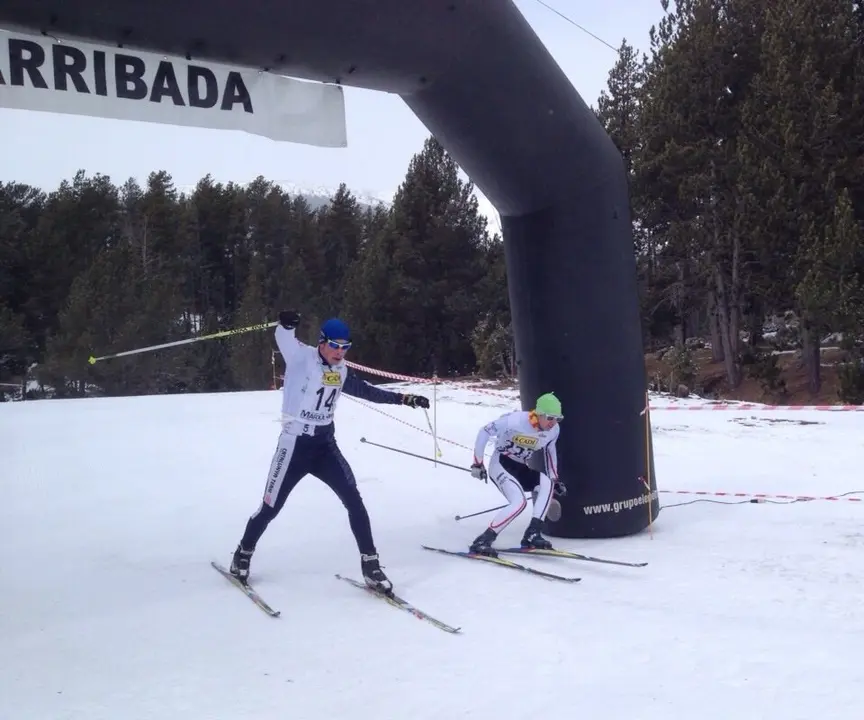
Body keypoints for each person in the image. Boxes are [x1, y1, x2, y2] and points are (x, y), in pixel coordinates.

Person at [228, 310, 430, 594]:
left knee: (354, 500)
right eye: (334, 345)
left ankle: (371, 565)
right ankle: (243, 554)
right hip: (295, 444)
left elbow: (367, 391)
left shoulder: (341, 370)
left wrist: (404, 398)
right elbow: (283, 337)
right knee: (270, 507)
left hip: (324, 446)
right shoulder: (302, 357)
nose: (339, 352)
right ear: (321, 342)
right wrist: (287, 324)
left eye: (345, 347)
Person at [467, 393, 566, 556]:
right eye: (549, 418)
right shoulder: (516, 421)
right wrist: (478, 463)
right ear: (539, 414)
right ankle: (483, 540)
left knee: (547, 483)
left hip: (521, 467)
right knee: (519, 503)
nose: (553, 423)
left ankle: (532, 534)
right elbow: (484, 431)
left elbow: (550, 451)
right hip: (501, 464)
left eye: (557, 419)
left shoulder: (553, 430)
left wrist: (555, 479)